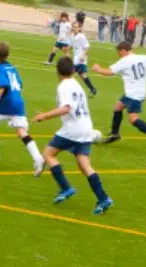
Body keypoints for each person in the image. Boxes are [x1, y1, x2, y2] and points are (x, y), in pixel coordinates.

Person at [32, 57, 113, 215]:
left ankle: (65, 188)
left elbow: (66, 108)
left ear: (58, 72)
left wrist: (45, 116)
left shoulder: (64, 86)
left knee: (49, 154)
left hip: (73, 129)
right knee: (84, 165)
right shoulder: (77, 84)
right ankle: (103, 198)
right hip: (85, 127)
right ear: (74, 71)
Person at [0, 42, 45, 177]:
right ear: (8, 54)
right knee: (21, 131)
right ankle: (38, 159)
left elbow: (4, 85)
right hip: (18, 102)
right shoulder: (12, 68)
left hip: (6, 103)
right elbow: (19, 84)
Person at [92, 41, 146, 150]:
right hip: (136, 93)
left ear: (123, 51)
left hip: (134, 95)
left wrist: (98, 69)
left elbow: (109, 72)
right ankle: (115, 134)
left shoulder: (124, 61)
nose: (118, 54)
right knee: (118, 106)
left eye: (118, 52)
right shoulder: (142, 57)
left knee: (133, 119)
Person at [70, 22, 98, 97]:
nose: (75, 29)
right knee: (83, 76)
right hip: (76, 58)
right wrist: (67, 48)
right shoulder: (72, 36)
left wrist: (83, 55)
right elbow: (72, 46)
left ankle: (72, 92)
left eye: (76, 27)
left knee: (70, 75)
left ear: (79, 28)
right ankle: (93, 89)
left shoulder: (81, 36)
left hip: (80, 60)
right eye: (74, 27)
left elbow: (87, 47)